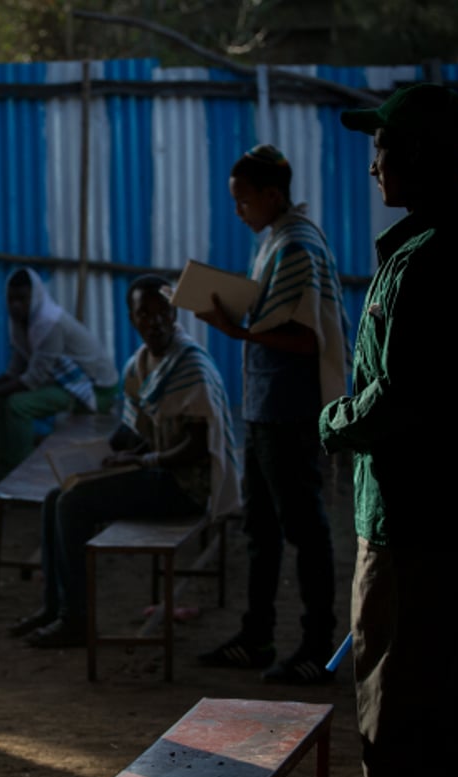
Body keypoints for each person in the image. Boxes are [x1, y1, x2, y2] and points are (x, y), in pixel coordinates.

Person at [320, 84, 458, 777]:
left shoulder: (426, 262)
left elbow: (399, 400)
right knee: (455, 714)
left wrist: (333, 422)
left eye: (381, 150)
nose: (373, 166)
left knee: (397, 719)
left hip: (408, 530)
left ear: (415, 156)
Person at [9, 275, 241, 648]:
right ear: (132, 319)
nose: (156, 321)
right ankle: (54, 607)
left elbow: (196, 447)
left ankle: (75, 619)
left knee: (73, 503)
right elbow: (136, 430)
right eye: (144, 314)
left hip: (188, 486)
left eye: (163, 312)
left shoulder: (189, 364)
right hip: (162, 473)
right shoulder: (142, 364)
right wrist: (109, 454)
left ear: (175, 312)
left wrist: (144, 459)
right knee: (56, 495)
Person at [195, 144, 350, 684]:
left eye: (244, 200)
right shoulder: (274, 242)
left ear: (271, 195)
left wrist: (236, 329)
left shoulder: (297, 246)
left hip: (291, 409)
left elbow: (310, 338)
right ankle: (256, 637)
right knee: (260, 528)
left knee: (305, 529)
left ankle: (316, 647)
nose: (239, 210)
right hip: (264, 406)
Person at [0, 268, 119, 469]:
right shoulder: (22, 322)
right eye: (11, 299)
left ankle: (19, 469)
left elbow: (32, 379)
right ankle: (1, 468)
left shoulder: (48, 324)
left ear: (35, 296)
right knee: (0, 399)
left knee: (18, 405)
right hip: (68, 385)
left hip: (94, 391)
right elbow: (14, 371)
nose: (15, 305)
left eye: (22, 299)